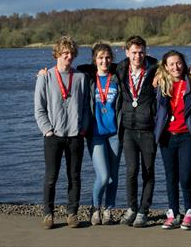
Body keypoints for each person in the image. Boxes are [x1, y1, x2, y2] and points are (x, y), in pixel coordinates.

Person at [34, 36, 90, 229]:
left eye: (71, 53)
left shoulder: (81, 78)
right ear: (57, 54)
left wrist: (83, 129)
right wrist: (47, 130)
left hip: (75, 136)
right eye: (64, 53)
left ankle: (72, 213)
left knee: (74, 176)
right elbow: (39, 108)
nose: (68, 56)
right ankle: (48, 214)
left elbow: (85, 108)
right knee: (51, 177)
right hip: (53, 136)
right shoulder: (45, 76)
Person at [154, 50, 191, 230]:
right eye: (171, 64)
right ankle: (173, 212)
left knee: (186, 177)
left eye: (179, 63)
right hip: (167, 137)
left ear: (184, 63)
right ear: (165, 67)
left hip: (187, 136)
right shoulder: (161, 84)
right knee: (170, 177)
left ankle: (189, 211)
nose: (176, 67)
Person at [116, 36, 159, 228]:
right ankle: (132, 208)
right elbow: (94, 69)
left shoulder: (155, 69)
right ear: (127, 52)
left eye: (141, 52)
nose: (137, 56)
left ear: (146, 52)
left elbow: (179, 67)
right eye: (133, 52)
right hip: (128, 129)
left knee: (148, 172)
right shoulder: (120, 69)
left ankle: (143, 211)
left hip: (148, 129)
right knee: (131, 171)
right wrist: (47, 72)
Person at [86, 43, 122, 226]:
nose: (104, 61)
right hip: (96, 134)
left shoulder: (117, 78)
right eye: (100, 57)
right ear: (95, 59)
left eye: (107, 57)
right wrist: (45, 74)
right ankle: (95, 207)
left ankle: (108, 209)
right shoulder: (88, 78)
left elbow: (150, 62)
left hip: (115, 134)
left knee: (114, 176)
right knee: (103, 175)